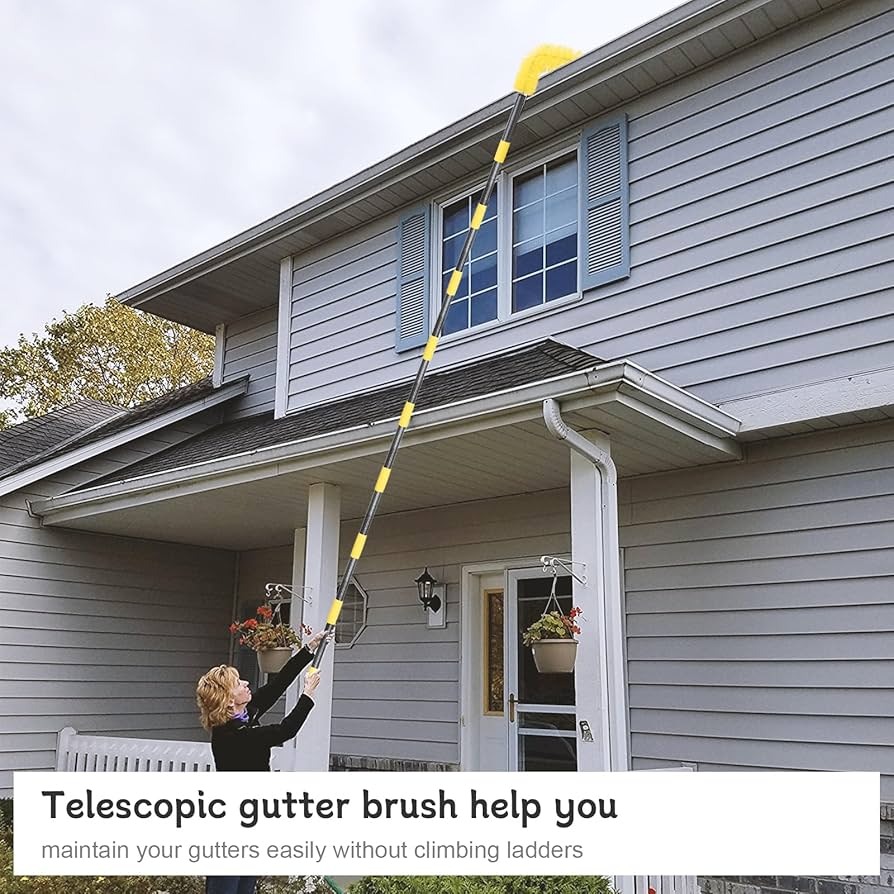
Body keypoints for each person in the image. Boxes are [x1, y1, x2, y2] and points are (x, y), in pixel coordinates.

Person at [195, 629, 328, 894]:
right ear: (228, 699)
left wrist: (308, 649)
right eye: (238, 683)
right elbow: (285, 730)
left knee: (245, 887)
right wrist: (308, 695)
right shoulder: (231, 735)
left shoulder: (244, 716)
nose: (246, 683)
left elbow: (277, 686)